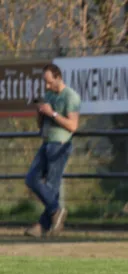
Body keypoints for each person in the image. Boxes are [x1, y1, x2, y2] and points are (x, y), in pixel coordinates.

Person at [24, 63, 81, 237]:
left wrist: (53, 113)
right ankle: (56, 211)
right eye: (45, 83)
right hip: (46, 141)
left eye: (50, 82)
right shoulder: (48, 95)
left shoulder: (71, 96)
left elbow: (73, 125)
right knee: (31, 179)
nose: (47, 86)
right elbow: (42, 124)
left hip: (60, 145)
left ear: (58, 77)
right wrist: (40, 114)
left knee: (51, 186)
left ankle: (43, 226)